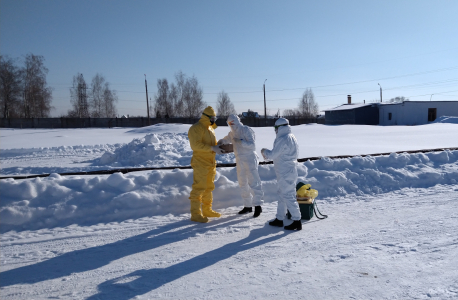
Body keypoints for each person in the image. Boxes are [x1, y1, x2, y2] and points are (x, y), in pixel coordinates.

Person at [218, 114, 264, 218]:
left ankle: (258, 206)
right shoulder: (232, 133)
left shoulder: (246, 130)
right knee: (242, 183)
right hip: (239, 160)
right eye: (229, 124)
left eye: (232, 122)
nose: (231, 125)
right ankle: (247, 206)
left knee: (254, 182)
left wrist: (241, 142)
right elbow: (227, 139)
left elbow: (252, 145)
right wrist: (220, 142)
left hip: (249, 158)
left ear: (237, 121)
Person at [261, 118, 302, 230]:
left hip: (285, 172)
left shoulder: (283, 139)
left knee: (288, 195)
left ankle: (297, 220)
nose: (275, 130)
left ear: (280, 127)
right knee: (282, 194)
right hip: (288, 171)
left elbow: (272, 155)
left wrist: (264, 151)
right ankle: (280, 218)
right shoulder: (291, 137)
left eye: (276, 128)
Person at [188, 106, 227, 223]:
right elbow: (195, 145)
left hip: (211, 163)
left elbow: (211, 144)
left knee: (209, 188)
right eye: (213, 117)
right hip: (200, 162)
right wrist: (212, 148)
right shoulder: (196, 128)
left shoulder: (210, 129)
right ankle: (195, 214)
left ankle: (207, 210)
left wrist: (218, 144)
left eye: (215, 117)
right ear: (207, 117)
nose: (214, 119)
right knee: (199, 188)